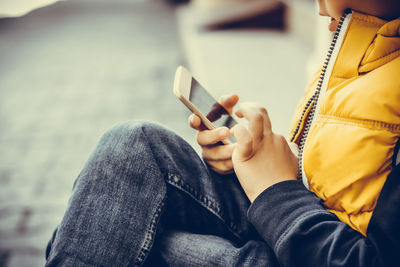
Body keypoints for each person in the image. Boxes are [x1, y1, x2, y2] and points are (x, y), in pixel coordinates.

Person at [45, 0, 400, 266]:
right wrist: (256, 165)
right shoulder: (368, 43)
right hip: (296, 232)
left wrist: (275, 190)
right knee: (133, 147)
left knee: (112, 227)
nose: (319, 9)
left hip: (312, 247)